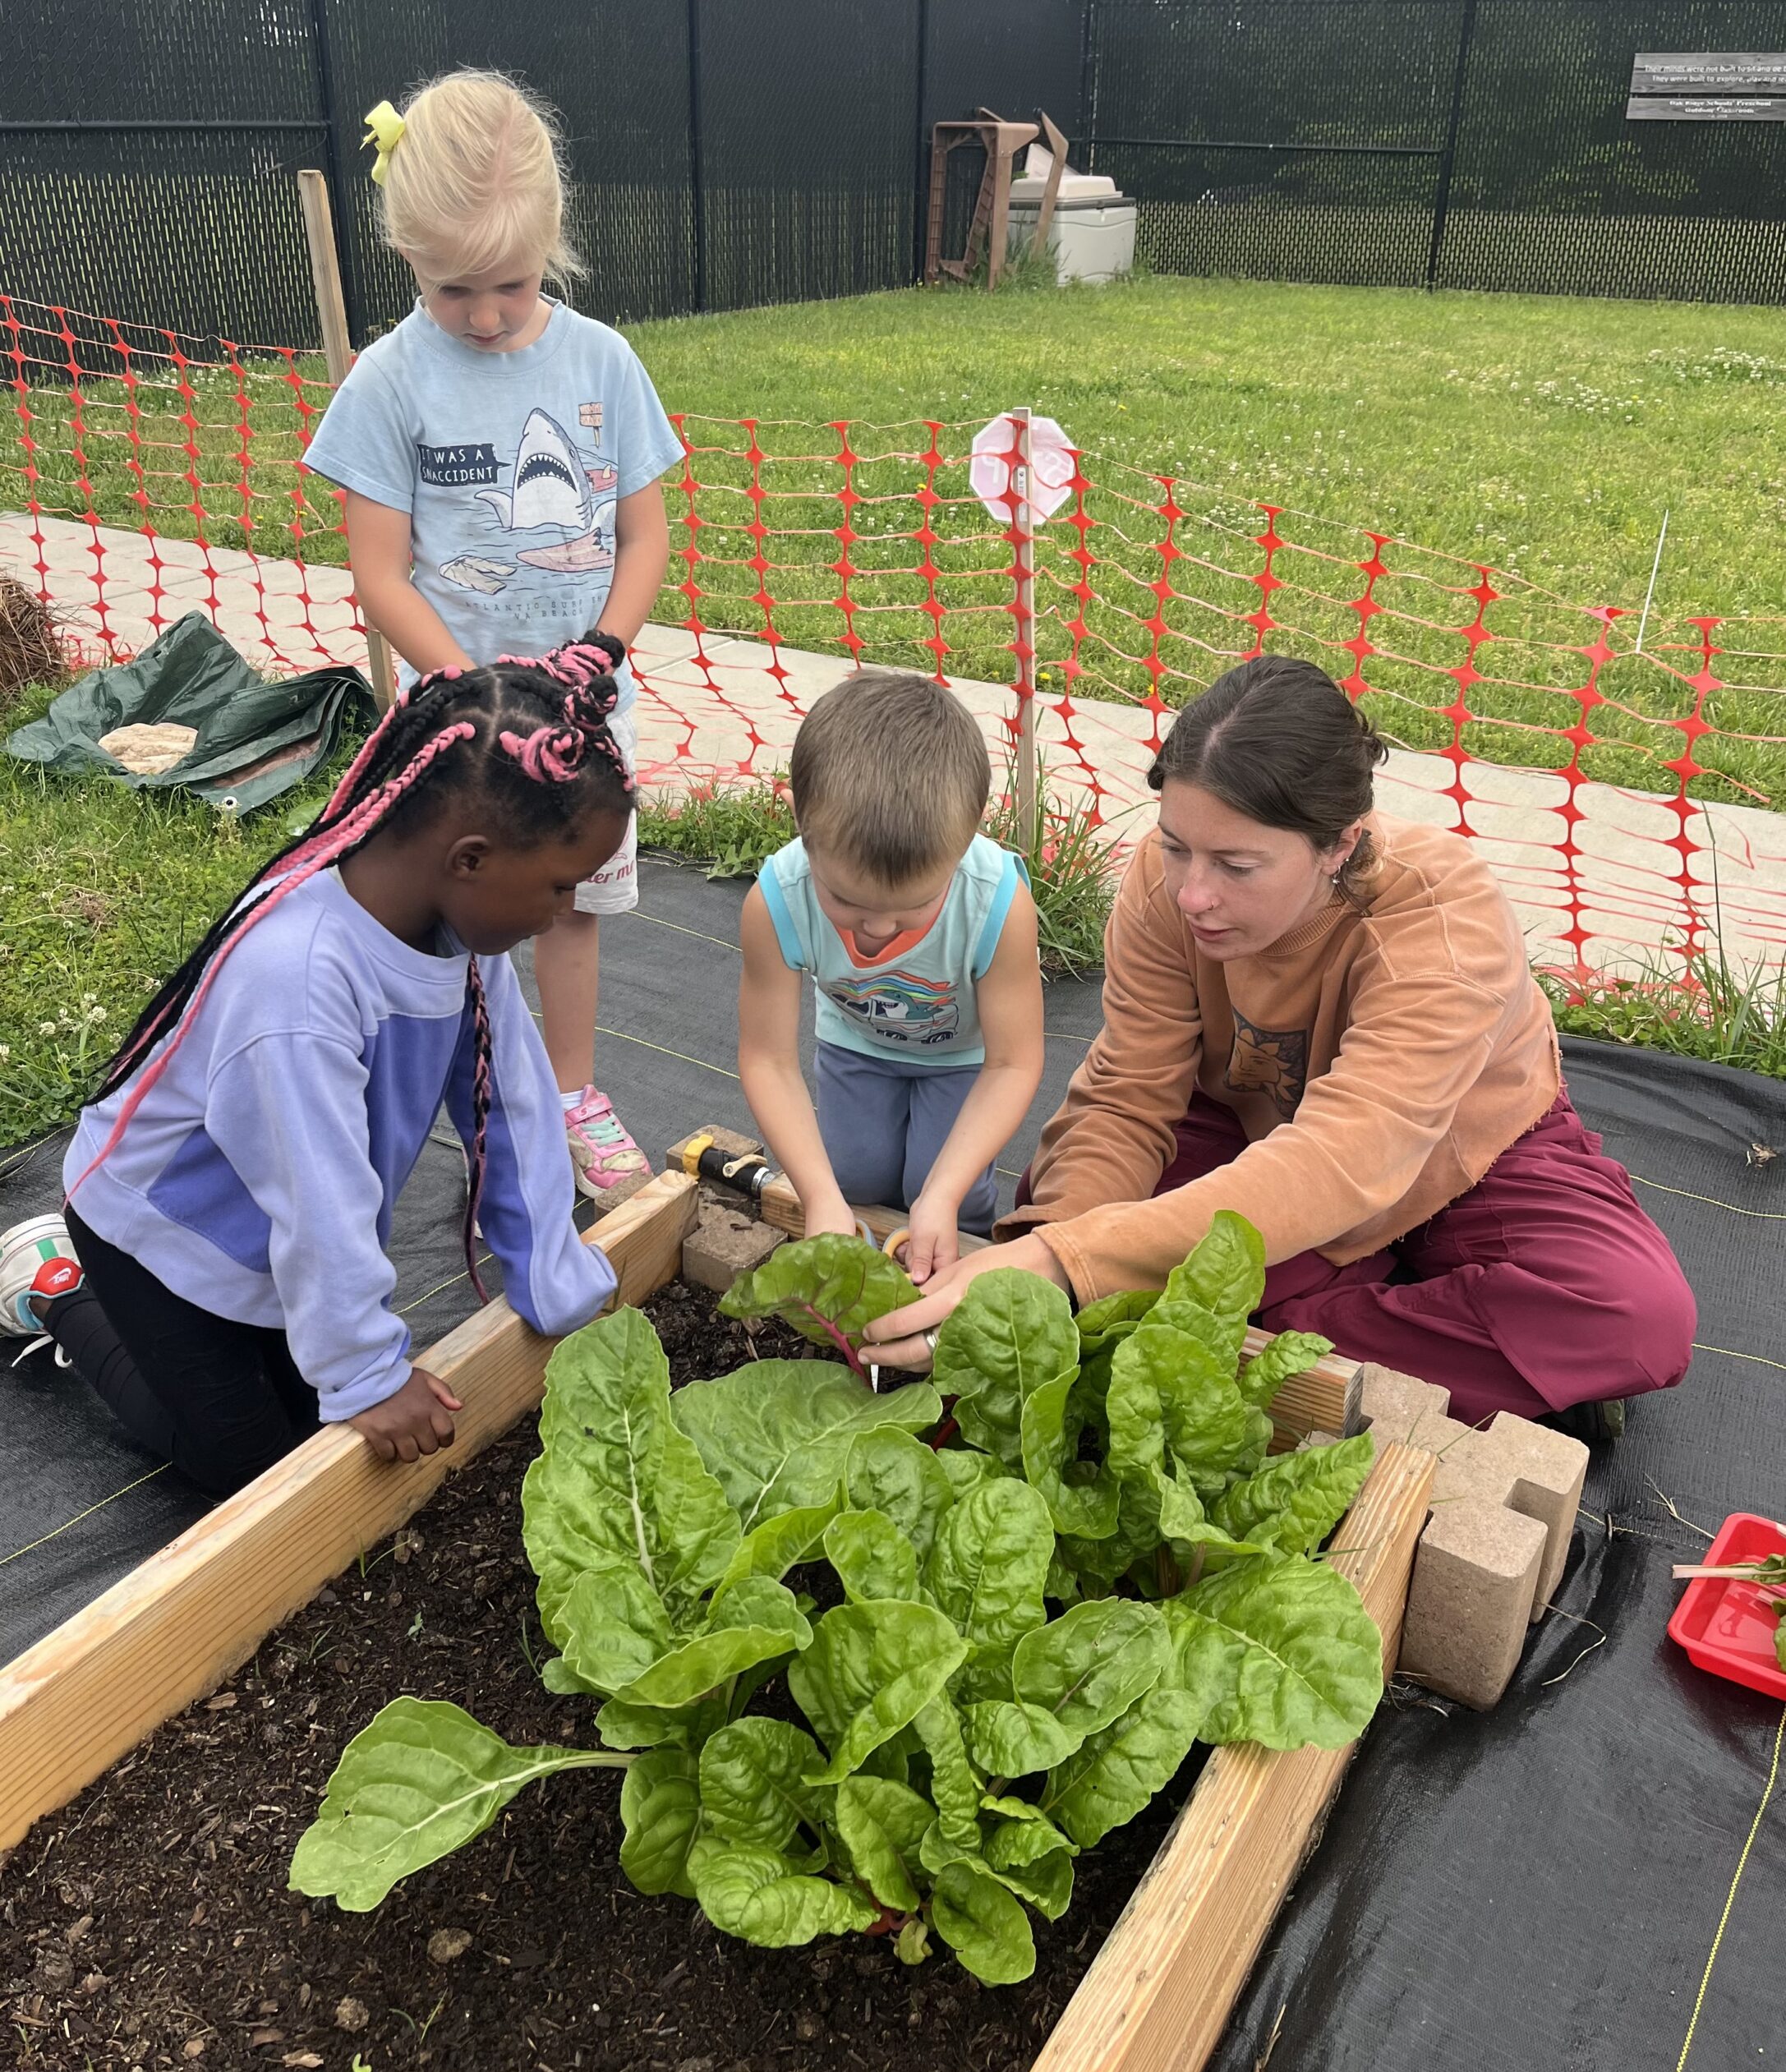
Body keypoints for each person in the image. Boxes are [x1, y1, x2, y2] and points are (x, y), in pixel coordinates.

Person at [863, 655, 1696, 1438]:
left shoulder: (1442, 917)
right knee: (1070, 1205)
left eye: (1235, 864)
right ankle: (1390, 1350)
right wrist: (1052, 1260)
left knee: (1632, 1317)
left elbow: (1346, 1157)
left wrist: (1080, 1264)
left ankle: (1268, 1329)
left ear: (1340, 844)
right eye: (1177, 844)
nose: (1191, 891)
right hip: (1247, 1124)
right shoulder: (1165, 886)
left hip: (1457, 1152)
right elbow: (1127, 1095)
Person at [0, 644, 635, 1497]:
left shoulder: (462, 936)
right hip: (155, 1234)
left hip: (269, 1233)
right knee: (251, 1468)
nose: (564, 913)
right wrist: (368, 1372)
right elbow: (319, 1193)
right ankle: (59, 1296)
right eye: (560, 886)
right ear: (470, 858)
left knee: (317, 1427)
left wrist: (552, 1276)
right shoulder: (296, 979)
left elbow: (508, 1106)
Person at [303, 69, 683, 1197]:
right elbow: (380, 574)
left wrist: (599, 651)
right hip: (455, 734)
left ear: (551, 247)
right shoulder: (387, 384)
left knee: (567, 909)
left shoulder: (603, 363)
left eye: (510, 286)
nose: (483, 315)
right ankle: (470, 1099)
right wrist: (472, 691)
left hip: (578, 729)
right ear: (407, 255)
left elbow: (645, 536)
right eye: (453, 287)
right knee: (448, 922)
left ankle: (567, 1091)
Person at [738, 672, 1044, 1283]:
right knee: (853, 1176)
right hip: (856, 1047)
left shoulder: (997, 905)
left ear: (968, 838)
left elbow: (1013, 1063)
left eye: (912, 909)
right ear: (799, 819)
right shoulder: (775, 900)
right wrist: (820, 1198)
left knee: (937, 1185)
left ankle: (955, 1256)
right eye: (845, 900)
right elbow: (768, 1060)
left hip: (964, 1060)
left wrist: (942, 1200)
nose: (876, 929)